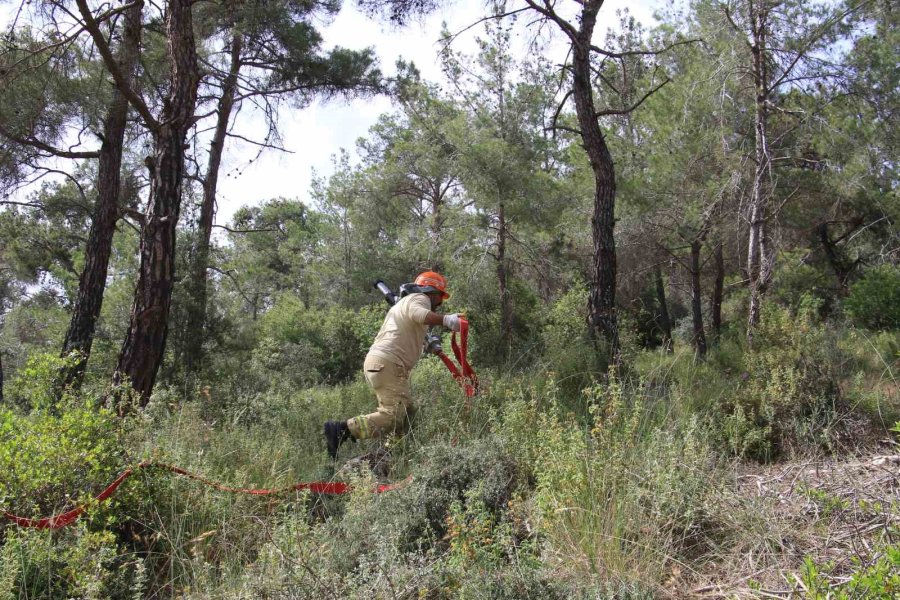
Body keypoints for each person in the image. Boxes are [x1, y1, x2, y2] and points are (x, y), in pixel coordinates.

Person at [323, 271, 462, 459]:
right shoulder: (419, 299)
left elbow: (412, 330)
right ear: (432, 291)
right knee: (394, 415)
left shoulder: (404, 304)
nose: (440, 302)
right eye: (440, 296)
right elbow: (419, 314)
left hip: (381, 362)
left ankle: (389, 455)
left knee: (407, 415)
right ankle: (342, 430)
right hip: (388, 362)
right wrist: (447, 320)